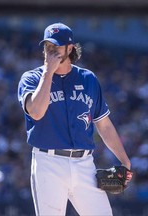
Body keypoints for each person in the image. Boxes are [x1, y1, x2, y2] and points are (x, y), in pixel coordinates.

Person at [17, 22, 132, 216]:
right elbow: (36, 112)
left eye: (56, 46)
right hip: (48, 162)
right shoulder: (31, 78)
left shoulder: (88, 79)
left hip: (84, 164)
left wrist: (124, 160)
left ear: (70, 48)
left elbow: (103, 124)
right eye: (47, 46)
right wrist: (48, 73)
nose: (50, 51)